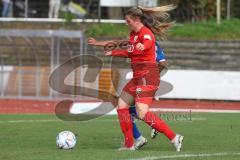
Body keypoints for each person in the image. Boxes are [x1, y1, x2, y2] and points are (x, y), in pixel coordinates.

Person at [87, 38, 167, 147]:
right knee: (126, 108)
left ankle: (141, 136)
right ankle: (144, 133)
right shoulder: (150, 42)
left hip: (143, 81)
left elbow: (116, 43)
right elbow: (162, 63)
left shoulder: (142, 42)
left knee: (125, 107)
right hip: (143, 80)